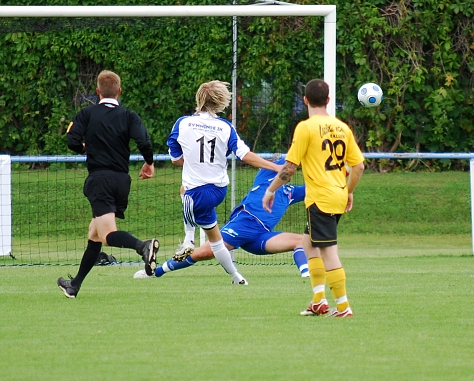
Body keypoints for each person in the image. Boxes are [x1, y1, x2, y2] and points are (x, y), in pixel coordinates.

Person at [263, 79, 365, 318]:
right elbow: (358, 166)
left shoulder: (306, 127)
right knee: (308, 243)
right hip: (336, 194)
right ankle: (318, 301)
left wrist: (271, 190)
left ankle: (342, 306)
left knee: (328, 250)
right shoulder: (342, 127)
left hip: (321, 198)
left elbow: (289, 168)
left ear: (305, 100)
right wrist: (348, 190)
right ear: (328, 100)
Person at [166, 80, 281, 285]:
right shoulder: (225, 127)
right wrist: (275, 167)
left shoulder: (182, 123)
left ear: (199, 99)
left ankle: (188, 240)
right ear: (220, 102)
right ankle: (237, 277)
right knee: (216, 241)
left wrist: (190, 161)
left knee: (185, 190)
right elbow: (244, 154)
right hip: (219, 190)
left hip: (197, 193)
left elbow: (176, 159)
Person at [57, 70, 159, 299]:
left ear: (97, 92)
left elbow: (72, 140)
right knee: (94, 234)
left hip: (100, 179)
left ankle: (143, 246)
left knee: (107, 234)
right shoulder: (129, 116)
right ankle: (74, 285)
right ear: (119, 91)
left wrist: (86, 147)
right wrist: (149, 163)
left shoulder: (87, 113)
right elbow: (144, 141)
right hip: (122, 181)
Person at [134, 157, 309, 279]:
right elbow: (291, 161)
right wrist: (306, 152)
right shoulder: (265, 174)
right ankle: (154, 273)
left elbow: (313, 189)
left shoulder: (291, 192)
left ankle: (307, 276)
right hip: (244, 224)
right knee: (203, 253)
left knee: (301, 241)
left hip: (261, 236)